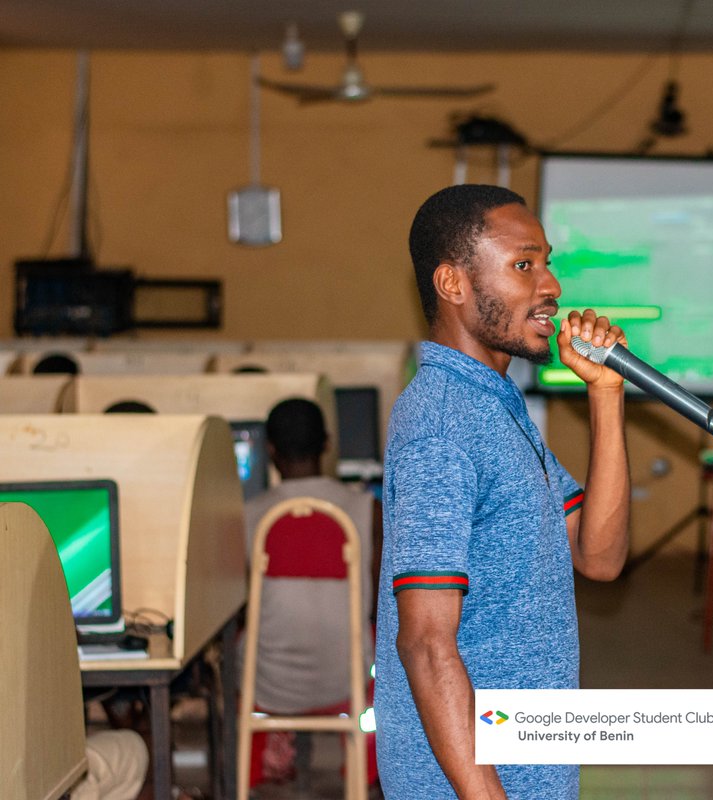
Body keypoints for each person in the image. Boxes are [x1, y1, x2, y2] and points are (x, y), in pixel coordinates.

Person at [375, 184, 631, 799]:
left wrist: (606, 394)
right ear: (453, 284)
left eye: (547, 263)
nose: (551, 287)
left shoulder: (493, 408)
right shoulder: (440, 423)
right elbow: (425, 641)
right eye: (524, 265)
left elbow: (599, 557)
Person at [241, 397, 381, 787]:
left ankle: (260, 759)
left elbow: (241, 610)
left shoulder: (248, 517)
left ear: (270, 451)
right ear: (327, 444)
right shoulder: (367, 510)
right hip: (348, 677)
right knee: (378, 643)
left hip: (271, 684)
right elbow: (380, 608)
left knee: (235, 648)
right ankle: (367, 768)